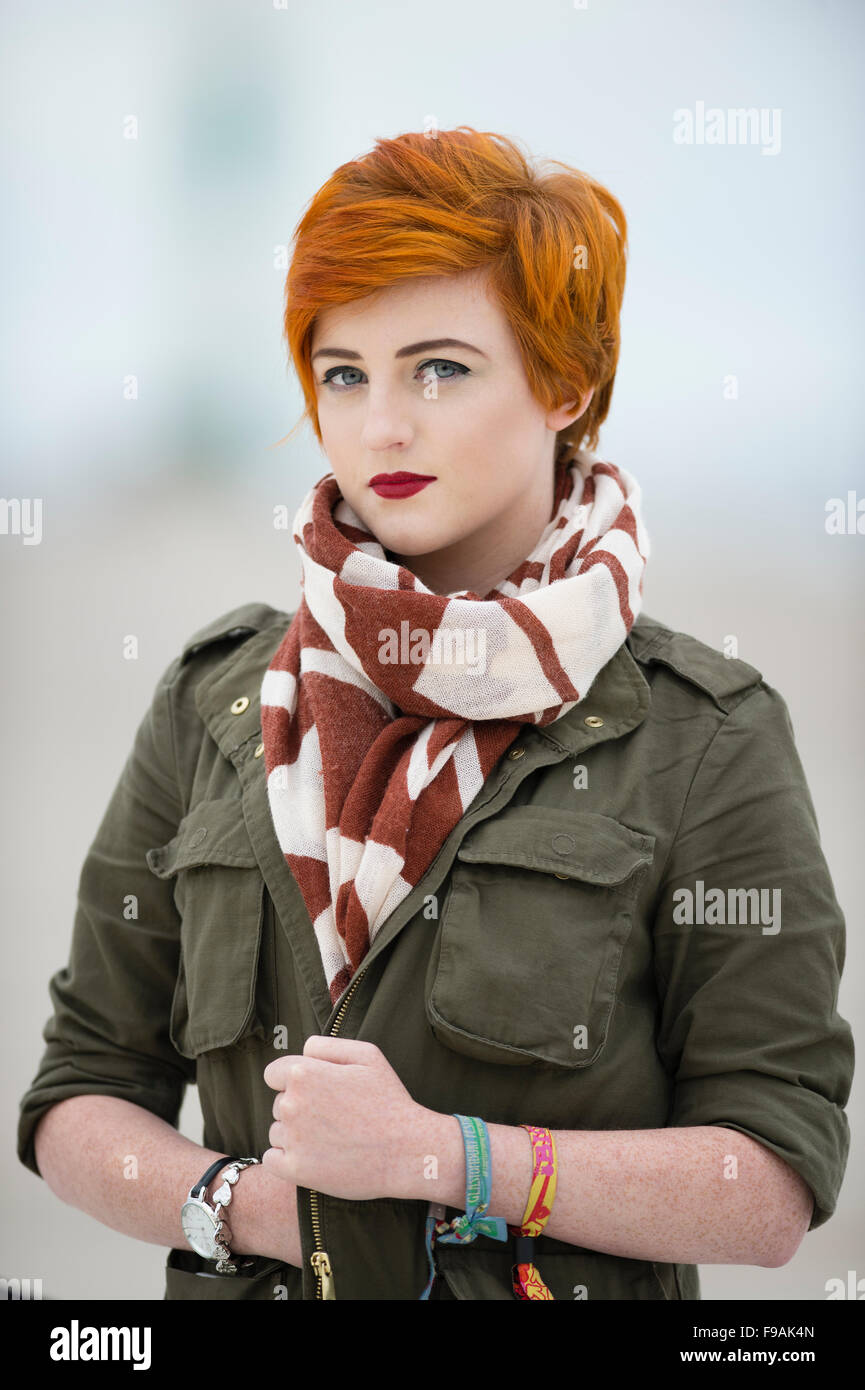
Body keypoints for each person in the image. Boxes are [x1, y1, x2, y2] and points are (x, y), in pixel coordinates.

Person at [18, 127, 853, 1301]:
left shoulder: (705, 734)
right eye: (344, 371)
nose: (380, 426)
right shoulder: (215, 701)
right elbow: (81, 1092)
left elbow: (769, 1179)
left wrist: (445, 1158)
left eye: (441, 368)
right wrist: (250, 1207)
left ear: (565, 383)